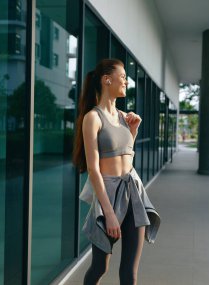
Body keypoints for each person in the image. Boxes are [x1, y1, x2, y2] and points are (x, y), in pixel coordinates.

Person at [73, 58, 161, 285]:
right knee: (99, 267)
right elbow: (93, 169)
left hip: (133, 191)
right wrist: (109, 213)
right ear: (106, 80)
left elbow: (126, 157)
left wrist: (133, 131)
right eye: (122, 77)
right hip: (108, 194)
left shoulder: (124, 116)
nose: (125, 81)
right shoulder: (92, 118)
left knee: (129, 273)